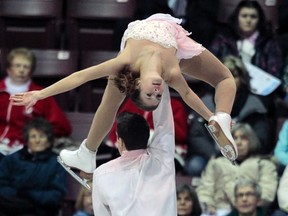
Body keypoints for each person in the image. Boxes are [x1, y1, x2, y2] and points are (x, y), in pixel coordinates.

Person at [10, 13, 238, 181]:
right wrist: (211, 117)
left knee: (110, 100)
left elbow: (80, 77)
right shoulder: (172, 72)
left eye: (150, 93)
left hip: (140, 40)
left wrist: (41, 93)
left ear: (138, 84)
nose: (158, 90)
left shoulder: (123, 63)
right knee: (226, 78)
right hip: (172, 38)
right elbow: (188, 95)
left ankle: (87, 152)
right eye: (158, 96)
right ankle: (223, 117)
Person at [92, 84, 177, 215]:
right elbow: (164, 123)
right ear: (147, 137)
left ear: (119, 141)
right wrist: (158, 81)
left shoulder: (101, 174)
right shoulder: (162, 162)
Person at [185, 55, 271, 176]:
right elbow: (196, 136)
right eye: (224, 75)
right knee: (195, 166)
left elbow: (261, 136)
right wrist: (215, 155)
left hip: (246, 156)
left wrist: (242, 152)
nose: (229, 79)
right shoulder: (205, 102)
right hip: (213, 154)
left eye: (234, 76)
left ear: (242, 79)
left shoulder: (255, 105)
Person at [0, 48, 71, 155]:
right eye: (18, 65)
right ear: (9, 68)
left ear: (31, 70)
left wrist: (38, 137)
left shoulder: (41, 95)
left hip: (26, 150)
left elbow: (62, 126)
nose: (21, 70)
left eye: (26, 66)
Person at [196, 123, 278, 216]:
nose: (238, 143)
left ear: (252, 141)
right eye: (234, 138)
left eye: (243, 138)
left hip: (251, 211)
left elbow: (268, 192)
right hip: (219, 210)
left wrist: (246, 205)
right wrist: (208, 205)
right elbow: (205, 188)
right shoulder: (216, 162)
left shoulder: (263, 163)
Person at [0, 117, 68, 216]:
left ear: (49, 141)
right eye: (33, 136)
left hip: (40, 210)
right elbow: (1, 185)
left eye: (41, 136)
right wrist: (17, 194)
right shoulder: (11, 159)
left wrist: (30, 195)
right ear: (27, 140)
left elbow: (56, 194)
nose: (37, 140)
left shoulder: (57, 163)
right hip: (10, 207)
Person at [106, 95, 188, 173]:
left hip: (164, 154)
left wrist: (156, 132)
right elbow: (118, 127)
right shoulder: (133, 102)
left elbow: (181, 135)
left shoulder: (174, 105)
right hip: (132, 151)